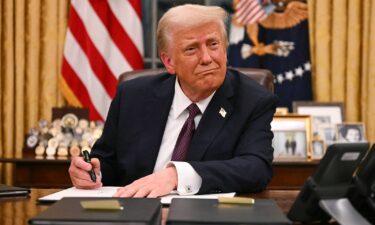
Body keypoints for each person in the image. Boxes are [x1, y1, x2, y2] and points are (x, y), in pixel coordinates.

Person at [68, 4, 278, 197]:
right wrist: (91, 173)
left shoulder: (253, 100)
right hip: (134, 214)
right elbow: (106, 161)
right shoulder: (133, 96)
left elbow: (256, 168)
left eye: (213, 44)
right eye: (191, 49)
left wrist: (177, 175)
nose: (207, 58)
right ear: (169, 62)